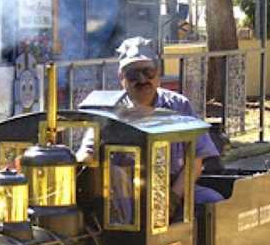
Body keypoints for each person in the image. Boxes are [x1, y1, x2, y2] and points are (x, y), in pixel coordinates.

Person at [77, 36, 223, 207]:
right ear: (121, 78)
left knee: (213, 202)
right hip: (123, 195)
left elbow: (196, 160)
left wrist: (173, 198)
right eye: (133, 74)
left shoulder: (179, 105)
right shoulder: (107, 110)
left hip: (173, 187)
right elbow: (86, 154)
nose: (142, 79)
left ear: (158, 74)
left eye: (148, 72)